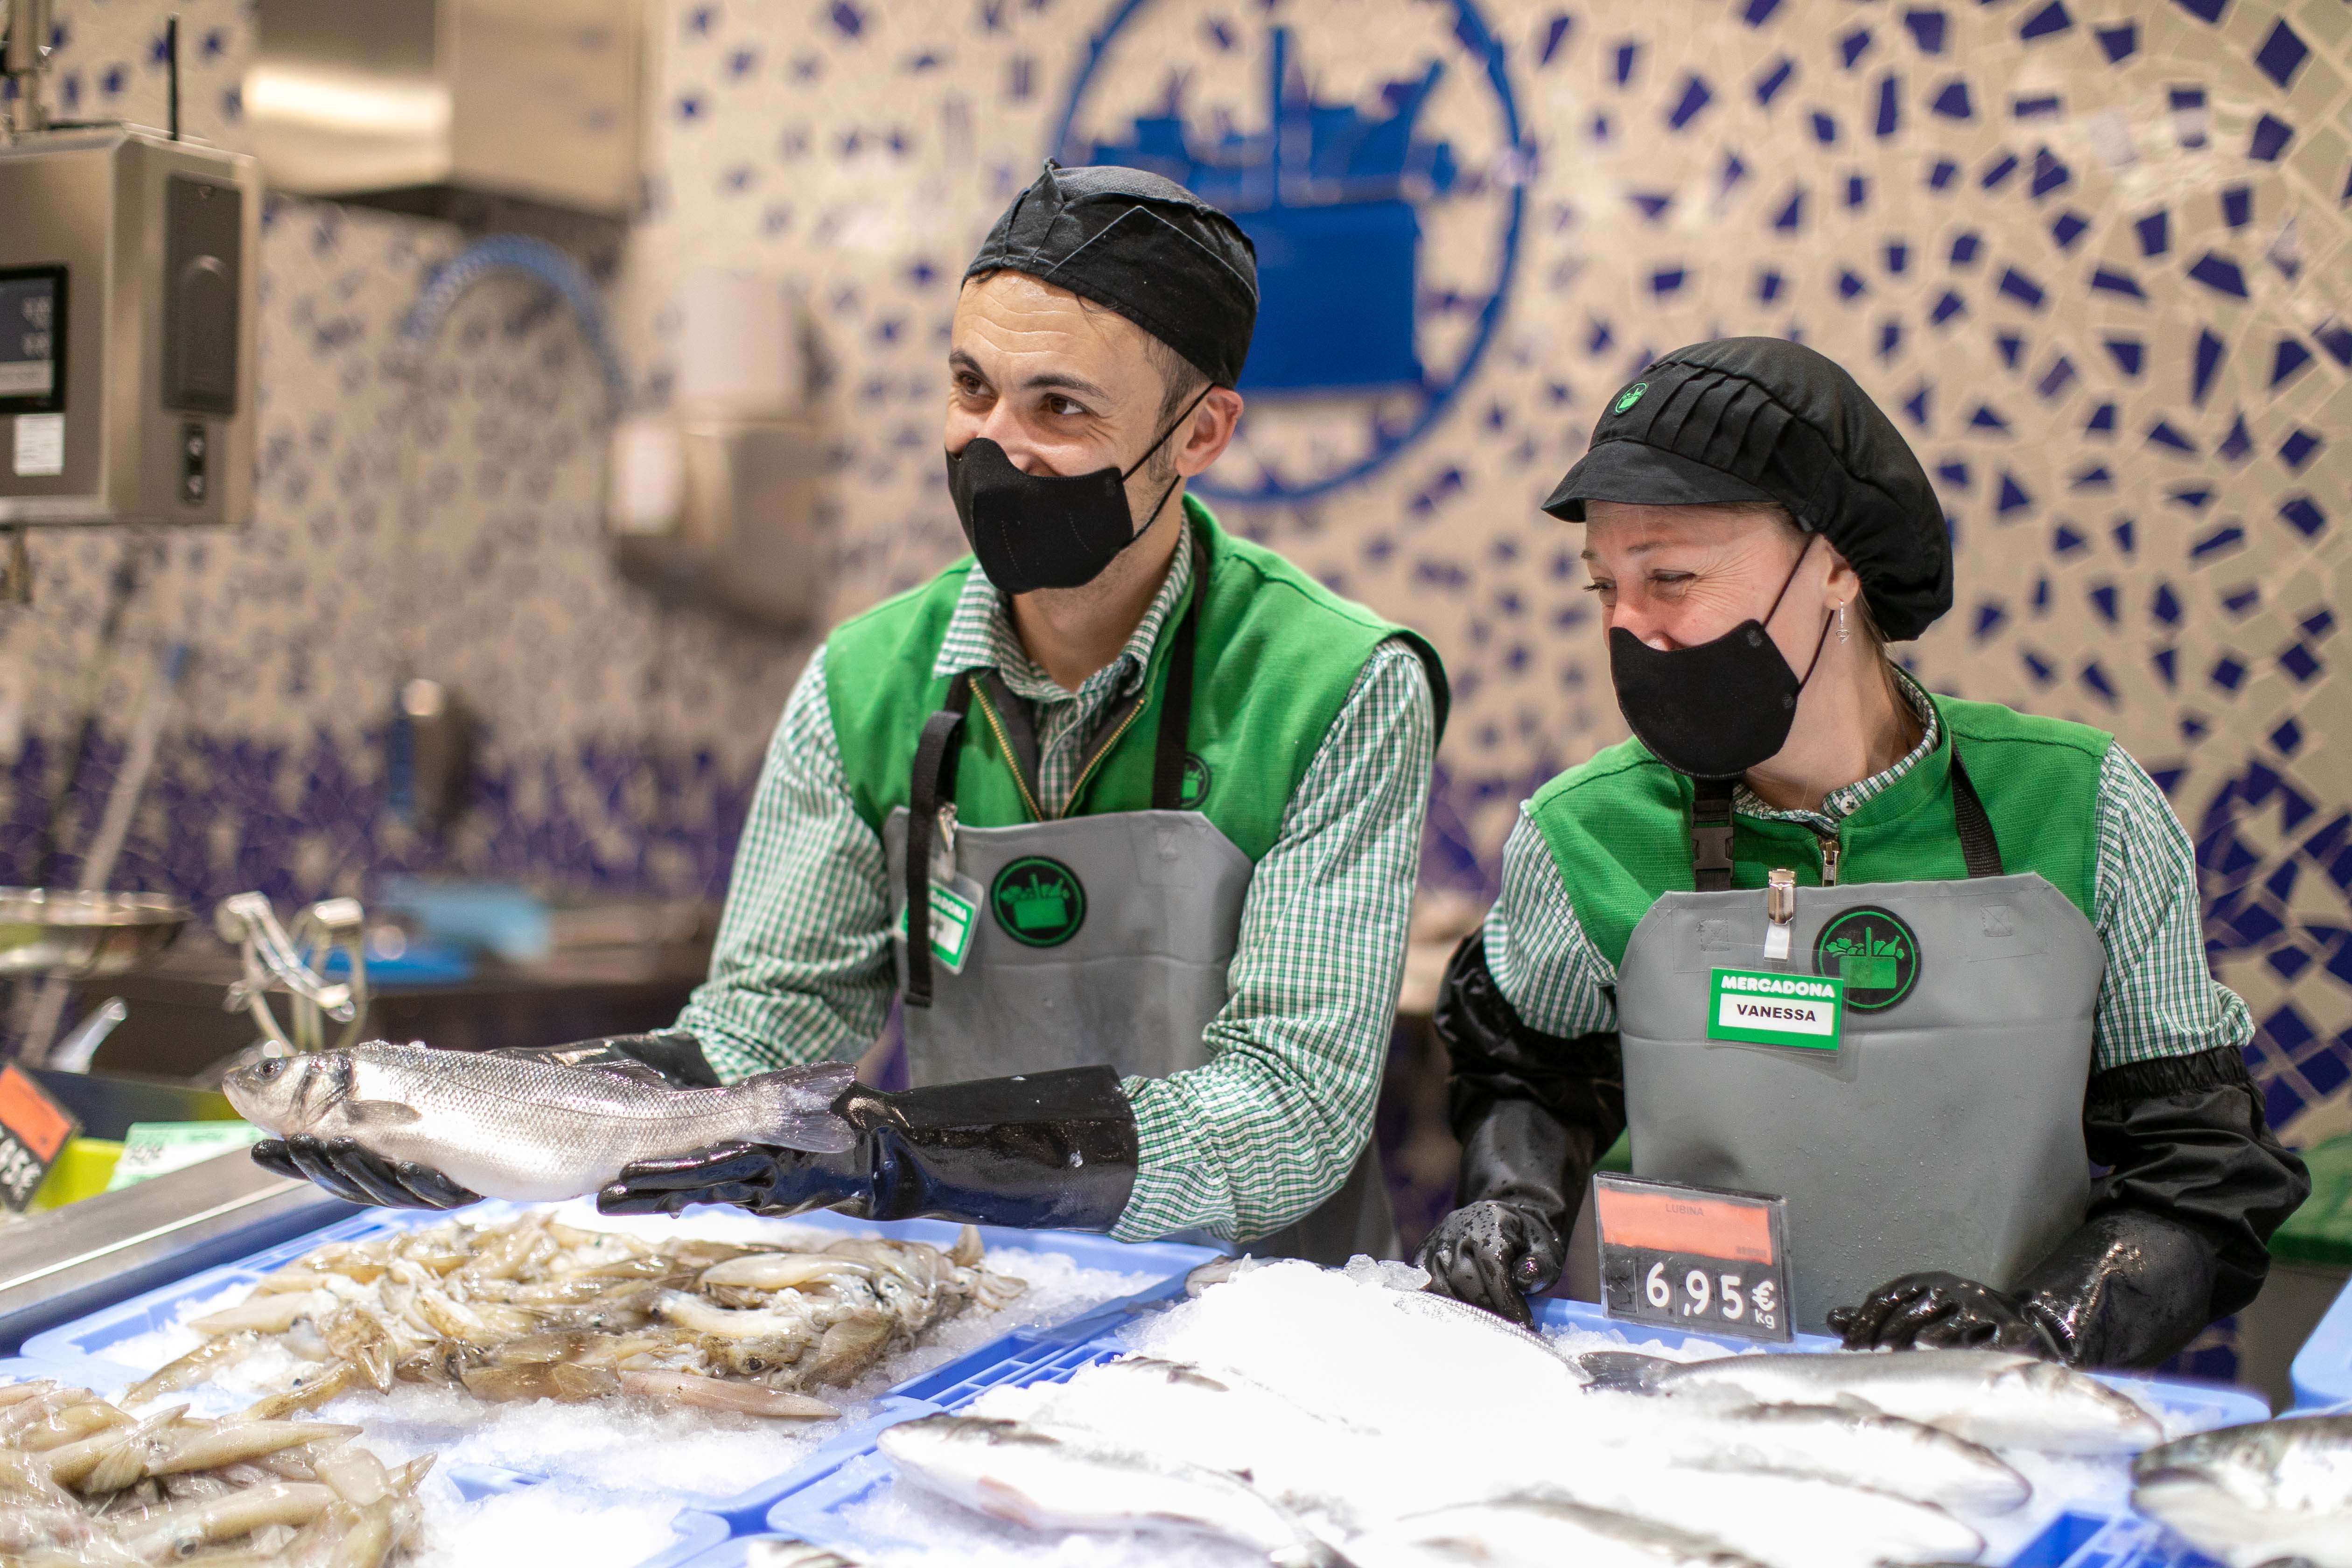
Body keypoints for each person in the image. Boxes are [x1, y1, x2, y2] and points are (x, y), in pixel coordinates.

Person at [255, 162, 1445, 1263]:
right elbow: (767, 1031)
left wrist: (909, 1151)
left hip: (1269, 1329)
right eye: (972, 387)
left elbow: (1289, 1110)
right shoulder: (865, 681)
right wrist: (481, 1120)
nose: (997, 445)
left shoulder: (1338, 685)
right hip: (1000, 1299)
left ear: (1201, 433)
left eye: (1061, 409)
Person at [1416, 337, 2308, 1367]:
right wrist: (1511, 1202)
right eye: (1603, 587)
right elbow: (1533, 1082)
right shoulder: (1585, 832)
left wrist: (2046, 1325)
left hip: (1986, 1417)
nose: (1629, 627)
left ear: (1835, 565)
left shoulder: (2084, 807)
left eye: (1672, 577)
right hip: (1679, 1400)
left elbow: (2199, 1171)